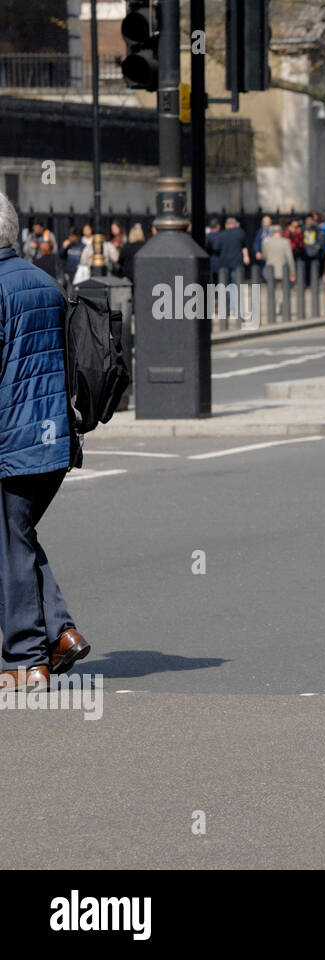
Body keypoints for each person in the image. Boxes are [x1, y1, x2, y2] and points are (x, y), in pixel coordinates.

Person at [0, 192, 91, 692]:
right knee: (15, 539)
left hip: (10, 441)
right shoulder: (43, 282)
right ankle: (60, 633)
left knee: (10, 545)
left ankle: (25, 660)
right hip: (52, 440)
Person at [260, 223, 296, 314]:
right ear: (281, 232)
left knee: (272, 289)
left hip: (270, 269)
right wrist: (292, 272)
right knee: (281, 289)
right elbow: (290, 258)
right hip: (282, 269)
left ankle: (275, 307)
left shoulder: (266, 242)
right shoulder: (285, 242)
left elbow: (264, 256)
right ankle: (279, 305)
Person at [208, 216, 250, 281]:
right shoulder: (241, 233)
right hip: (237, 262)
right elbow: (244, 247)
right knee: (236, 282)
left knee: (226, 282)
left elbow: (215, 248)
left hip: (224, 262)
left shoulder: (221, 235)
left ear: (226, 225)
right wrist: (246, 257)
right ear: (235, 224)